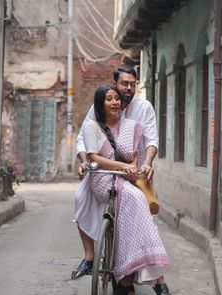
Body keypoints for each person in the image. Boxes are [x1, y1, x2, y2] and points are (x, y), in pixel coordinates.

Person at [73, 67, 171, 295]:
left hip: (133, 172)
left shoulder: (142, 109)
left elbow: (151, 140)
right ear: (114, 84)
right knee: (79, 197)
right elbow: (85, 144)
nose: (127, 89)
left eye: (132, 84)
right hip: (103, 173)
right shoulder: (96, 113)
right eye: (123, 84)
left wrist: (145, 163)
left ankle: (155, 278)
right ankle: (90, 257)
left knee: (140, 212)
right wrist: (83, 161)